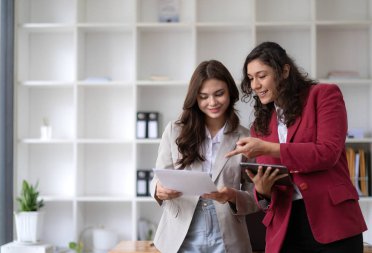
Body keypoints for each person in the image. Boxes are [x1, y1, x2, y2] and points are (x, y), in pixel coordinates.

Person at [226, 41, 367, 253]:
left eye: (261, 76)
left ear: (284, 71)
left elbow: (327, 153)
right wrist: (262, 192)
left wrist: (269, 148)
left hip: (332, 222)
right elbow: (268, 183)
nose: (254, 85)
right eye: (250, 78)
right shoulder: (260, 126)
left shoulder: (323, 95)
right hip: (285, 228)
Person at [150, 59, 259, 253]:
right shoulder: (175, 131)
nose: (212, 102)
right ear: (195, 98)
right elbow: (158, 178)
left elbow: (257, 197)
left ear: (230, 93)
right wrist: (158, 189)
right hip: (181, 230)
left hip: (228, 232)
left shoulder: (246, 137)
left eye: (219, 94)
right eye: (203, 96)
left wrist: (232, 196)